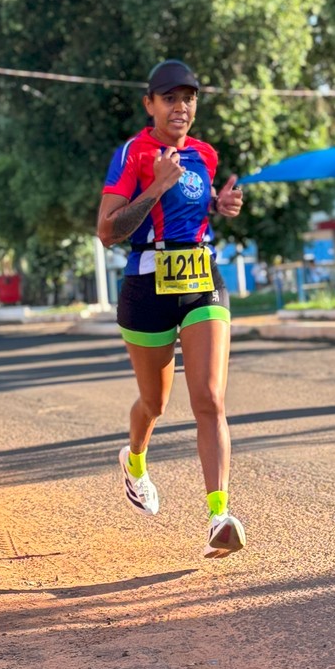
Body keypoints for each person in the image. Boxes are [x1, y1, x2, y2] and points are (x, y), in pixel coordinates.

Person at [97, 60, 246, 558]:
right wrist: (156, 184)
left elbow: (187, 215)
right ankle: (134, 458)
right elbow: (108, 230)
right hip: (145, 285)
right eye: (169, 98)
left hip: (202, 277)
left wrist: (216, 209)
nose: (180, 107)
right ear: (150, 105)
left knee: (209, 398)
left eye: (189, 98)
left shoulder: (205, 153)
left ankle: (219, 516)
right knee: (155, 404)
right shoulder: (132, 153)